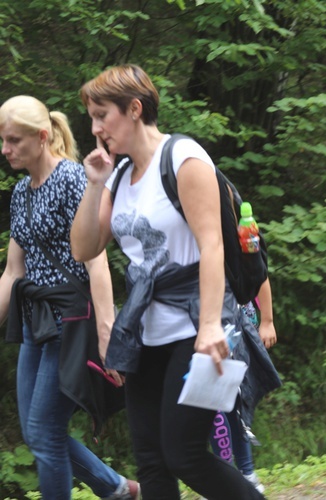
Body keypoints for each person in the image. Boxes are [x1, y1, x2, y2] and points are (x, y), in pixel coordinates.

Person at [70, 64, 263, 499]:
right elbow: (84, 248)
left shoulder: (184, 158)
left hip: (196, 327)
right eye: (92, 118)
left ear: (134, 109)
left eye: (103, 115)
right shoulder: (118, 175)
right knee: (152, 460)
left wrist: (212, 325)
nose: (97, 128)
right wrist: (94, 184)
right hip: (144, 333)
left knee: (185, 453)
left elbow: (212, 245)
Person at [0, 95, 139, 499]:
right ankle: (116, 489)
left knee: (44, 432)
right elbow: (12, 271)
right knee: (37, 432)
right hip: (34, 323)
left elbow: (95, 260)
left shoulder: (72, 179)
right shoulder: (21, 191)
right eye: (3, 140)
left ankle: (114, 489)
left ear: (42, 137)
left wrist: (107, 329)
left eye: (13, 140)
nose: (5, 149)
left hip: (71, 322)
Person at [209, 278, 277, 493]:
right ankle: (230, 476)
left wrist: (267, 321)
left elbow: (259, 273)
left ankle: (245, 475)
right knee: (214, 403)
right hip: (197, 320)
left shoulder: (229, 243)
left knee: (230, 400)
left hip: (232, 321)